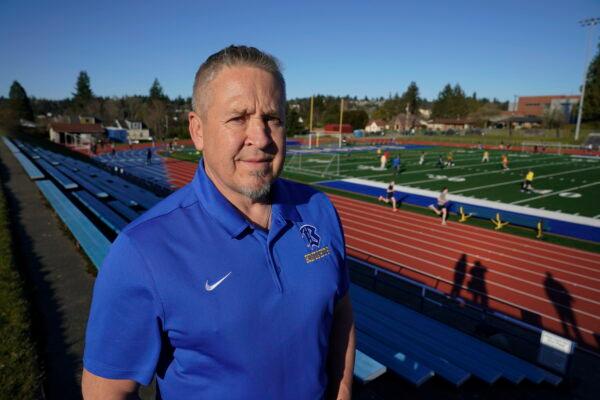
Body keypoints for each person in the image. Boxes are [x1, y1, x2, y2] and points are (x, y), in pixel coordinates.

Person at [82, 46, 355, 400]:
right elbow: (106, 391)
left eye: (272, 118)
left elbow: (341, 311)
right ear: (197, 131)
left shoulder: (319, 210)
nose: (260, 138)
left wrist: (343, 389)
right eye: (238, 118)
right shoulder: (143, 250)